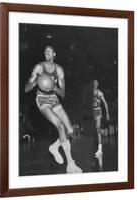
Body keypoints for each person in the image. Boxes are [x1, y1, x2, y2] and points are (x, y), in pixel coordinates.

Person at [25, 45, 82, 173]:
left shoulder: (59, 70)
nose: (47, 52)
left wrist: (53, 87)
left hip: (54, 99)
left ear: (54, 54)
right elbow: (26, 88)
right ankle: (70, 164)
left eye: (49, 51)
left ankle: (54, 147)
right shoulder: (39, 67)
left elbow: (62, 94)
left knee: (71, 130)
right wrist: (35, 83)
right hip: (42, 100)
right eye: (45, 51)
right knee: (60, 126)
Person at [93, 80, 110, 158]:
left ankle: (100, 150)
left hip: (97, 111)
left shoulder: (99, 92)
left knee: (98, 128)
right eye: (93, 83)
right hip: (91, 112)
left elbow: (105, 103)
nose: (94, 84)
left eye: (96, 83)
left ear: (97, 84)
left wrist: (107, 113)